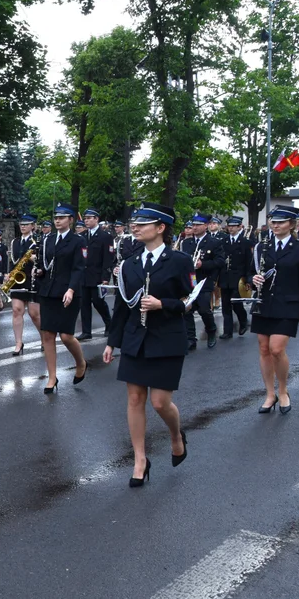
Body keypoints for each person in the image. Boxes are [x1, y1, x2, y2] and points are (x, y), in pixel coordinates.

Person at [102, 202, 193, 487]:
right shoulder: (129, 264)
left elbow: (192, 300)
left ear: (161, 228)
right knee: (134, 400)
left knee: (159, 402)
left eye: (143, 223)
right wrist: (112, 342)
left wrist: (162, 304)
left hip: (167, 339)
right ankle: (140, 459)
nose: (135, 227)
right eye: (135, 223)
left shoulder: (179, 261)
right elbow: (121, 306)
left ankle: (176, 435)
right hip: (134, 339)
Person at [248, 206, 299, 413]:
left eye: (281, 222)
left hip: (289, 303)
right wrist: (253, 278)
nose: (275, 225)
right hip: (264, 302)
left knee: (277, 349)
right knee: (264, 349)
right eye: (273, 222)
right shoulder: (261, 247)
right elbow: (251, 272)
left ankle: (283, 390)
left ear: (292, 224)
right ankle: (269, 394)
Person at [35, 203, 88, 394]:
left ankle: (81, 363)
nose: (57, 220)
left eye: (62, 217)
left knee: (66, 336)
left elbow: (78, 268)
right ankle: (51, 377)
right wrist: (39, 270)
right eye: (56, 217)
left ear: (71, 220)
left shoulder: (78, 241)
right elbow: (46, 263)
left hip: (68, 292)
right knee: (48, 335)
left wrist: (71, 289)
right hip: (49, 291)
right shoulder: (48, 239)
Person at [179, 214, 225, 350]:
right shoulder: (186, 243)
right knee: (187, 309)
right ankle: (190, 338)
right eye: (193, 225)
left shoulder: (214, 242)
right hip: (189, 280)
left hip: (205, 280)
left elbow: (220, 261)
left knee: (204, 308)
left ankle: (211, 330)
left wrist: (202, 264)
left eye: (198, 225)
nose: (194, 227)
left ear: (206, 226)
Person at [78, 208, 113, 340]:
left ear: (96, 219)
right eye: (85, 218)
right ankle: (86, 331)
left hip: (98, 276)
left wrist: (105, 277)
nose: (86, 220)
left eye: (89, 218)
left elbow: (107, 258)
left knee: (98, 302)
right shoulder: (82, 236)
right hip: (84, 276)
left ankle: (109, 323)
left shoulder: (105, 236)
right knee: (84, 304)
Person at [9, 214, 41, 356]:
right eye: (21, 224)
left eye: (26, 224)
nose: (23, 226)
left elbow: (44, 260)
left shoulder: (38, 241)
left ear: (32, 226)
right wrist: (8, 274)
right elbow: (12, 260)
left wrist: (36, 260)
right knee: (16, 311)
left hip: (33, 280)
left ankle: (44, 338)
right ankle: (18, 343)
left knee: (34, 314)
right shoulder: (15, 242)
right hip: (18, 279)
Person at [218, 216, 252, 339]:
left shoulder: (245, 242)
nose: (231, 228)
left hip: (238, 278)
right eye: (229, 226)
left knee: (236, 302)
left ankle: (243, 321)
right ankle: (228, 331)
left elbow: (248, 262)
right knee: (225, 304)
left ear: (239, 227)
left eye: (233, 226)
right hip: (225, 277)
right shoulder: (223, 241)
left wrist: (248, 279)